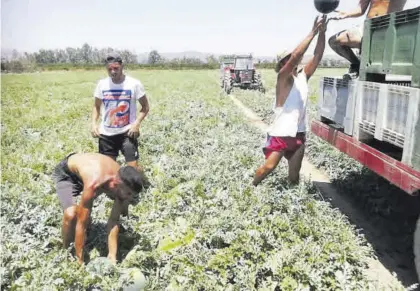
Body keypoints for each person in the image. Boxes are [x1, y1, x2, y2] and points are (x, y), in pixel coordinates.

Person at [252, 15, 327, 187]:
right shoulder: (282, 77)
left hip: (299, 133)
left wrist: (322, 33)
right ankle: (251, 188)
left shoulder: (302, 77)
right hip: (281, 133)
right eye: (287, 58)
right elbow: (296, 55)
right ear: (282, 63)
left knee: (294, 176)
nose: (291, 59)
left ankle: (291, 195)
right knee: (268, 167)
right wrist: (313, 32)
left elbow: (317, 55)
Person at [52, 152, 148, 264]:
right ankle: (67, 253)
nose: (129, 198)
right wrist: (80, 260)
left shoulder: (124, 183)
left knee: (87, 212)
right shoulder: (95, 182)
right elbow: (81, 223)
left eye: (132, 195)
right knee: (72, 214)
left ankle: (81, 242)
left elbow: (113, 221)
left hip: (88, 174)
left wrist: (112, 255)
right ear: (117, 184)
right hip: (67, 174)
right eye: (128, 194)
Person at [91, 52, 150, 172]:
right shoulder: (102, 84)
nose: (113, 71)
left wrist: (137, 123)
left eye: (116, 68)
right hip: (106, 134)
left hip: (127, 133)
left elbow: (145, 106)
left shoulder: (134, 84)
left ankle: (142, 179)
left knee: (133, 169)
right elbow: (96, 106)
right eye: (110, 69)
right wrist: (93, 124)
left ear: (122, 67)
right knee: (108, 171)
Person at [328, 0, 407, 79]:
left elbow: (394, 11)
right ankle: (356, 65)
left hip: (386, 29)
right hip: (367, 26)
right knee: (334, 41)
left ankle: (371, 71)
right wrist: (346, 14)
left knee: (373, 77)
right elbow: (360, 9)